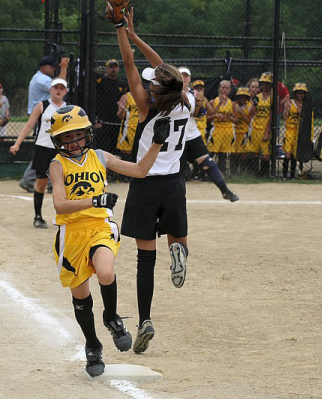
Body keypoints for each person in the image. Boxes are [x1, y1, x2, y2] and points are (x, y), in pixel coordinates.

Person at [48, 105, 170, 377]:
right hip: (71, 235)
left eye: (77, 135)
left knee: (105, 271)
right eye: (66, 137)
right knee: (81, 297)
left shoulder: (100, 156)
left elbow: (140, 170)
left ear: (87, 134)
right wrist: (94, 200)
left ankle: (112, 317)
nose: (74, 141)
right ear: (58, 141)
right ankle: (92, 344)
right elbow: (59, 204)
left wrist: (157, 143)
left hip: (100, 227)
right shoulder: (58, 165)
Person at [115, 8, 190, 354]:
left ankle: (145, 319)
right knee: (178, 236)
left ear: (157, 88)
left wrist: (121, 30)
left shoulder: (147, 107)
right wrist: (137, 35)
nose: (147, 81)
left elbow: (130, 64)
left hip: (145, 185)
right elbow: (163, 69)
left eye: (152, 81)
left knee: (145, 258)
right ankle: (180, 251)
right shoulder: (185, 103)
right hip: (174, 183)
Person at [9, 78, 68, 228]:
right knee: (41, 182)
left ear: (66, 91)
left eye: (62, 88)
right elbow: (29, 125)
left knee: (62, 184)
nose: (58, 90)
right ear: (51, 90)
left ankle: (63, 216)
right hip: (43, 147)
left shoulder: (69, 109)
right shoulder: (43, 106)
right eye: (56, 87)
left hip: (60, 150)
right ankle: (38, 216)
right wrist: (17, 143)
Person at [180, 67, 239, 201]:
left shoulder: (194, 94)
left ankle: (225, 190)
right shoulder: (170, 94)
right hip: (177, 136)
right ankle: (174, 198)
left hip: (192, 134)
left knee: (207, 162)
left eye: (186, 76)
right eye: (181, 75)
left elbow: (200, 114)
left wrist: (199, 103)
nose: (184, 78)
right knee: (177, 170)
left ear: (189, 79)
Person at [19, 56, 70, 193]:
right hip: (43, 116)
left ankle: (49, 182)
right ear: (43, 68)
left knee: (50, 148)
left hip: (49, 115)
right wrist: (64, 68)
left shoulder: (40, 78)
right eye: (51, 66)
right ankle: (29, 179)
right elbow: (59, 84)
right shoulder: (41, 78)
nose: (54, 69)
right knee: (45, 148)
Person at [94, 59, 129, 153]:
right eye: (111, 67)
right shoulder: (101, 81)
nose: (113, 69)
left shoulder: (122, 84)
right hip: (104, 121)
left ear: (118, 69)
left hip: (118, 122)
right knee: (103, 148)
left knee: (116, 150)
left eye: (115, 67)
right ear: (106, 69)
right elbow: (94, 81)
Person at [281, 83, 313, 179]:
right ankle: (284, 175)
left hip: (300, 131)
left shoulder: (306, 105)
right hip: (290, 130)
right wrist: (286, 109)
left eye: (302, 93)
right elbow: (284, 118)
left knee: (295, 154)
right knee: (287, 153)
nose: (300, 95)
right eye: (298, 93)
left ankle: (292, 175)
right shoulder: (290, 103)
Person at [206, 80, 237, 175]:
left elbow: (236, 120)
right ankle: (206, 172)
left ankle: (221, 173)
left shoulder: (232, 104)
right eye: (223, 87)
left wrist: (229, 117)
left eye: (227, 88)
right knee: (211, 152)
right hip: (217, 129)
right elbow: (207, 118)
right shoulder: (213, 102)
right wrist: (215, 116)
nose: (224, 90)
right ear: (219, 88)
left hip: (228, 130)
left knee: (223, 153)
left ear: (230, 90)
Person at [247, 72, 274, 177]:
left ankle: (265, 173)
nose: (265, 86)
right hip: (256, 127)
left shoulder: (273, 98)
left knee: (266, 155)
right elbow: (250, 113)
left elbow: (272, 115)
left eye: (267, 84)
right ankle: (255, 174)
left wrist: (267, 131)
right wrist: (254, 104)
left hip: (265, 128)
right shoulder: (257, 97)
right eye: (263, 84)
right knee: (255, 152)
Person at [232, 87, 253, 174]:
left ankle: (243, 171)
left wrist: (241, 112)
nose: (242, 99)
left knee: (243, 153)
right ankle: (234, 171)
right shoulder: (234, 106)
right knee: (234, 152)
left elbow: (249, 121)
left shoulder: (249, 107)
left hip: (244, 132)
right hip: (235, 132)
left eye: (244, 97)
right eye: (240, 97)